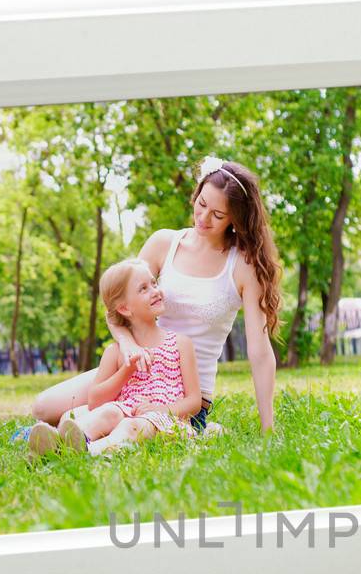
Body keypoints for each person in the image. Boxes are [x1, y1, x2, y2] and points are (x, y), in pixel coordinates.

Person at [30, 155, 282, 433]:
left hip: (182, 388)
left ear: (235, 219)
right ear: (196, 195)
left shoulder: (243, 265)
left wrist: (267, 428)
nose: (204, 217)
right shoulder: (164, 242)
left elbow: (259, 353)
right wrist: (127, 344)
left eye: (218, 215)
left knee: (95, 422)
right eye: (202, 204)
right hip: (138, 371)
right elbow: (118, 304)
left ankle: (193, 427)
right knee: (43, 408)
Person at [26, 258, 200, 457]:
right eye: (143, 289)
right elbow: (95, 401)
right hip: (126, 411)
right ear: (125, 308)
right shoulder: (116, 352)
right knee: (109, 412)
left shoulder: (180, 343)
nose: (154, 291)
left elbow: (194, 401)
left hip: (165, 422)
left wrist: (161, 409)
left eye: (154, 283)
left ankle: (85, 451)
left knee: (130, 426)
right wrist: (127, 371)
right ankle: (56, 441)